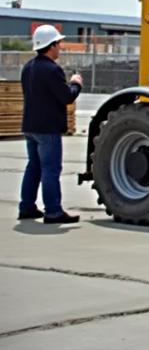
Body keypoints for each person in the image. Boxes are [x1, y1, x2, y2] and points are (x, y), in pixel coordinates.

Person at [18, 24, 83, 224]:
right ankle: (53, 211)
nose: (60, 48)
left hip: (30, 126)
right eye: (58, 44)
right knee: (50, 169)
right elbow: (66, 97)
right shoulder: (52, 70)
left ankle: (27, 207)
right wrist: (76, 83)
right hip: (47, 128)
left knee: (34, 167)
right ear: (51, 45)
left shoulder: (28, 67)